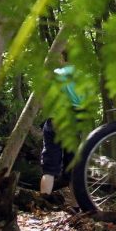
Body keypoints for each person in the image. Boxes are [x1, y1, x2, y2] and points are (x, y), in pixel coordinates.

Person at [40, 65, 84, 195]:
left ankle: (43, 202)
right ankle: (77, 207)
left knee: (49, 167)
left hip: (56, 119)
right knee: (73, 166)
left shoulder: (54, 74)